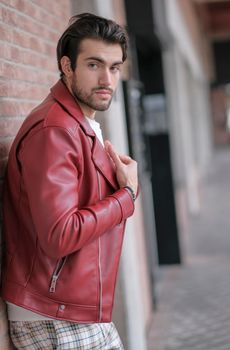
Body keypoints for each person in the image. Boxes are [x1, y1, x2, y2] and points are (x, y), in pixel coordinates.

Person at [1, 13, 138, 349]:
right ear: (67, 65)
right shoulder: (56, 131)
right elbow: (60, 235)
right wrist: (126, 196)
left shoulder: (80, 123)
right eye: (94, 65)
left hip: (68, 309)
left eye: (114, 67)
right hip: (54, 318)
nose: (106, 78)